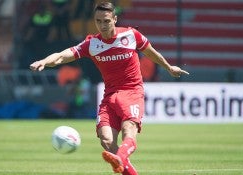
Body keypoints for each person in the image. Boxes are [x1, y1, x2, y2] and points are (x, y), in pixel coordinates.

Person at [30, 2, 189, 174]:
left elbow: (150, 52)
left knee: (129, 131)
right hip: (109, 96)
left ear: (115, 19)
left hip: (131, 92)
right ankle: (124, 163)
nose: (103, 25)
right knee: (106, 140)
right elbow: (62, 56)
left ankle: (120, 158)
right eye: (98, 21)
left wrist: (169, 67)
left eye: (106, 21)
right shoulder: (92, 44)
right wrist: (44, 62)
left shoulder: (131, 35)